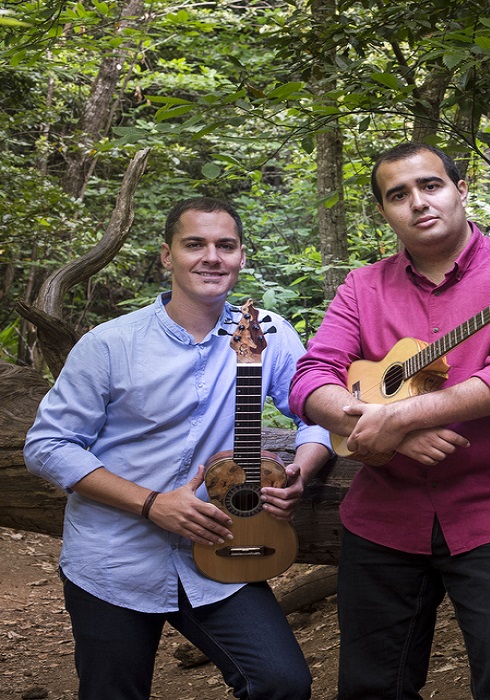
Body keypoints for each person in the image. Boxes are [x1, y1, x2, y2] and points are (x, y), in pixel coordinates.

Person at [288, 142, 490, 699]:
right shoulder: (361, 287)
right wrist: (387, 430)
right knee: (371, 686)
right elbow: (310, 378)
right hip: (386, 510)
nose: (418, 202)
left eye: (431, 185)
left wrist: (400, 419)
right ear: (384, 211)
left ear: (461, 191)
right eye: (398, 195)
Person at [24, 197, 331, 700]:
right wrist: (152, 503)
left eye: (225, 245)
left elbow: (313, 412)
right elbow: (48, 444)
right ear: (167, 255)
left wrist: (302, 469)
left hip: (222, 553)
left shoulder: (268, 334)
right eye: (194, 244)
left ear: (241, 256)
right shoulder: (110, 344)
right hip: (114, 559)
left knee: (282, 682)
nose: (211, 257)